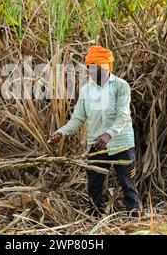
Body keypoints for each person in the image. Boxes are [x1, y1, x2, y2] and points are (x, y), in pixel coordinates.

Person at [50, 45, 138, 216]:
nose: (90, 70)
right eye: (89, 67)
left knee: (127, 182)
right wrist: (61, 132)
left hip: (121, 143)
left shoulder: (121, 86)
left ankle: (135, 219)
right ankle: (95, 217)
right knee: (94, 185)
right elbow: (78, 119)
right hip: (96, 144)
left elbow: (123, 114)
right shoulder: (86, 90)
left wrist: (108, 134)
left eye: (94, 67)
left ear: (105, 67)